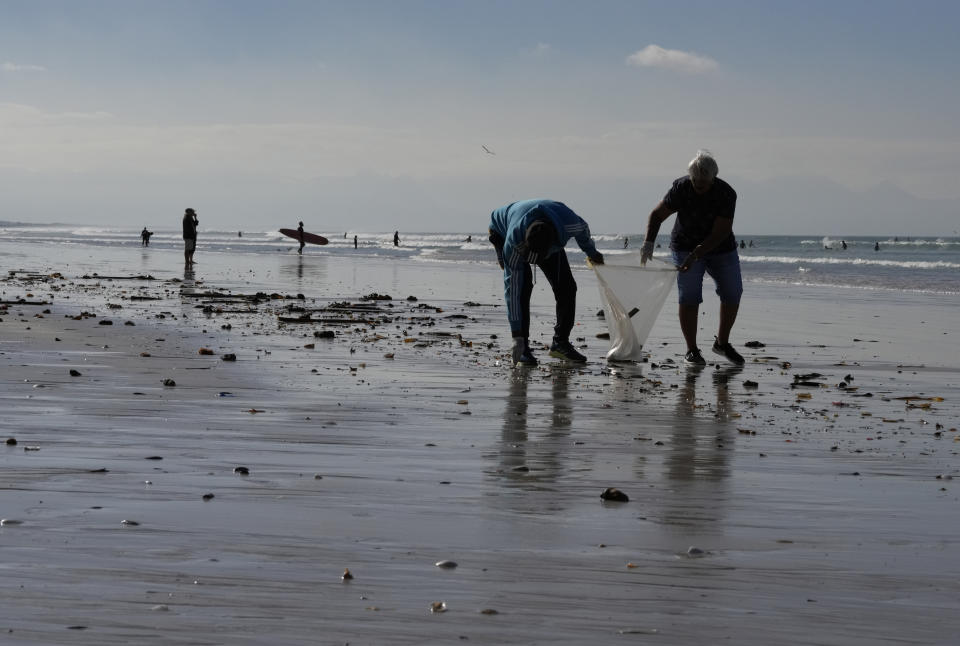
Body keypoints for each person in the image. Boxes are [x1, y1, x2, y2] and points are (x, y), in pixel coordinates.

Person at [640, 150, 744, 366]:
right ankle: (692, 350)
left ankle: (722, 343)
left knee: (732, 292)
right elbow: (657, 215)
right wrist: (648, 243)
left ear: (713, 179)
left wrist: (696, 255)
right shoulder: (681, 188)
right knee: (689, 296)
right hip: (684, 245)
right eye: (695, 181)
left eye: (703, 183)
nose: (699, 186)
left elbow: (721, 232)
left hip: (720, 247)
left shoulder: (726, 194)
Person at [488, 199, 604, 366]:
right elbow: (511, 291)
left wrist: (592, 252)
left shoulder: (569, 224)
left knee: (567, 287)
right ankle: (524, 348)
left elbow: (583, 231)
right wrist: (516, 337)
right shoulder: (514, 241)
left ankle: (560, 344)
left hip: (550, 226)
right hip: (501, 231)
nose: (534, 261)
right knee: (522, 288)